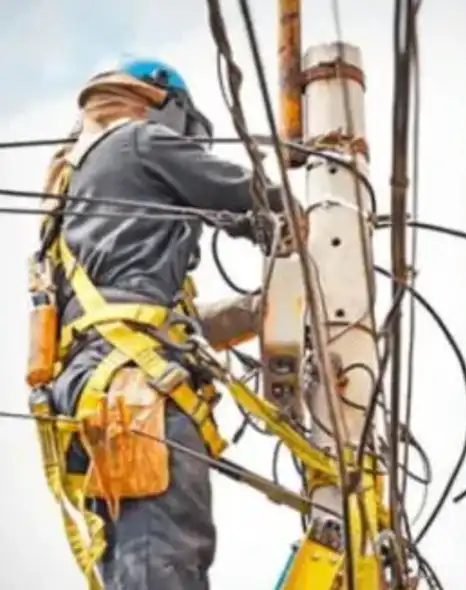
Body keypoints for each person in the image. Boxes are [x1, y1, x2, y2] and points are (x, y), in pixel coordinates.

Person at [36, 58, 290, 590]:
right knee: (162, 559)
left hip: (94, 385)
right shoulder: (137, 139)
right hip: (134, 388)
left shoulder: (71, 200)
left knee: (138, 558)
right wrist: (323, 228)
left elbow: (154, 319)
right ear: (166, 109)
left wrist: (258, 310)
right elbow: (255, 200)